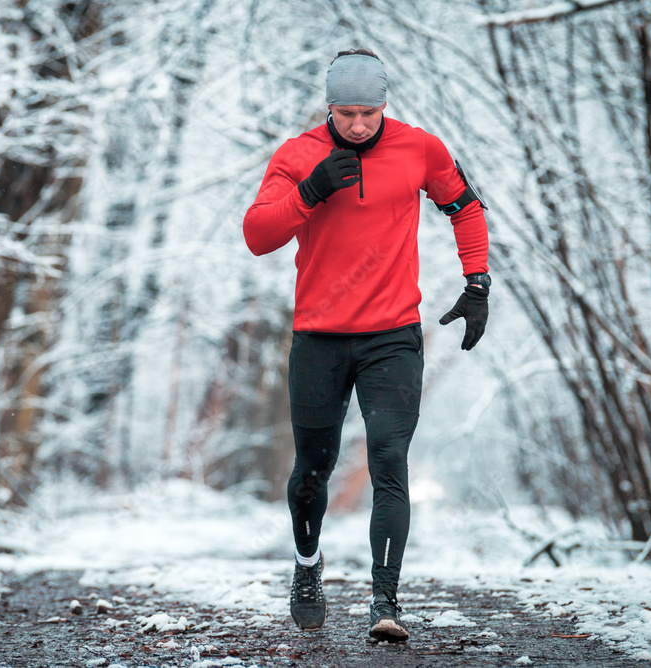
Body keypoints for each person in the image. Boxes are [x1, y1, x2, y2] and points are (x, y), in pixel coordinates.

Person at [242, 48, 490, 642]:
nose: (357, 125)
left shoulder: (420, 148)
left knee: (388, 460)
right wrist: (309, 192)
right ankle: (307, 568)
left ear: (385, 105)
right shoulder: (299, 155)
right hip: (319, 338)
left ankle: (386, 602)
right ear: (329, 107)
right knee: (312, 471)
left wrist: (476, 282)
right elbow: (256, 235)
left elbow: (465, 205)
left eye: (369, 113)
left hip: (392, 336)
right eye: (346, 113)